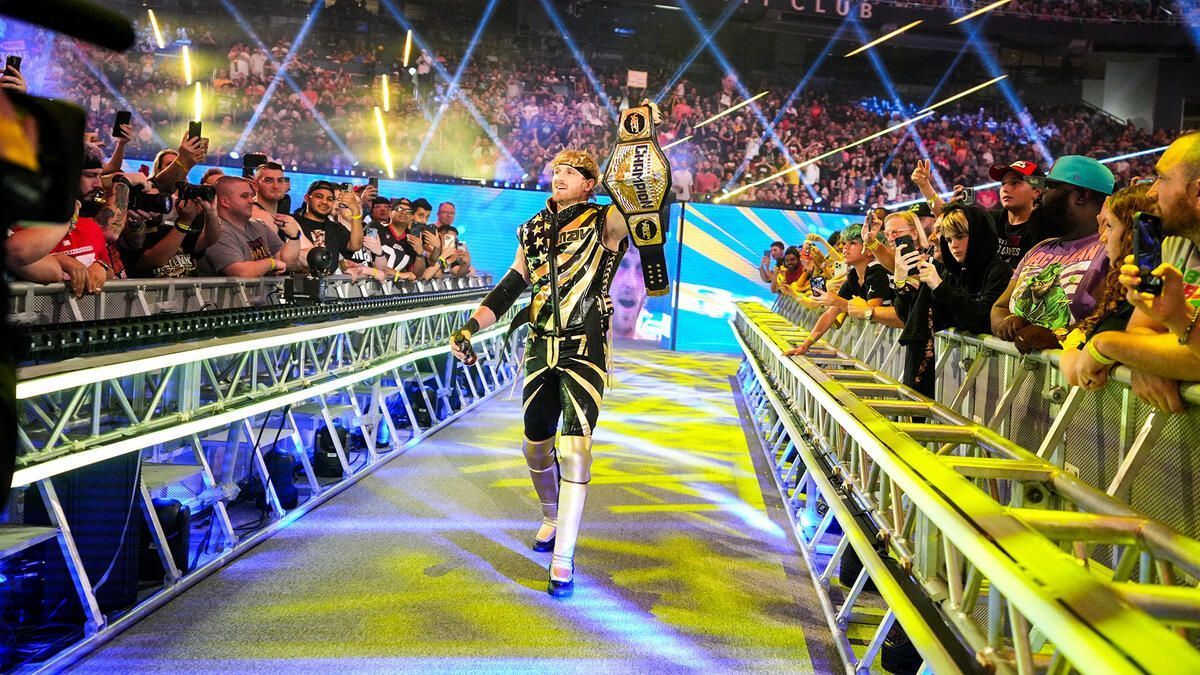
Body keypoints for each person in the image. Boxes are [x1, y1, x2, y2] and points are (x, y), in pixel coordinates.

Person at [448, 136, 658, 598]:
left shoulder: (606, 219)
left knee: (576, 447)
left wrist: (638, 146)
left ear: (589, 184)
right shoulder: (531, 228)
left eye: (572, 171)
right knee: (534, 445)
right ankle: (549, 513)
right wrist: (469, 327)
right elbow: (511, 285)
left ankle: (563, 557)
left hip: (587, 347)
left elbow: (640, 199)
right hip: (540, 345)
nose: (559, 174)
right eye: (556, 168)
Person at [991, 156, 1112, 354]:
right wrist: (1006, 324)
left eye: (1052, 186)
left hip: (1073, 380)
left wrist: (1058, 337)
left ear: (1081, 196)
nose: (1042, 195)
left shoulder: (1109, 250)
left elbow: (1111, 321)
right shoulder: (1039, 249)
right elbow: (999, 306)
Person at [1060, 184, 1155, 388]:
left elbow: (1079, 374)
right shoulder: (1127, 290)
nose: (1102, 237)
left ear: (1132, 234)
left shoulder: (1139, 295)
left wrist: (1069, 348)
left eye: (1110, 226)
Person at [786, 224, 892, 356]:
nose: (845, 248)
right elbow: (829, 313)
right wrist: (805, 345)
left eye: (852, 243)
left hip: (891, 343)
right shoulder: (853, 275)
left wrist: (836, 300)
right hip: (881, 342)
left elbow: (869, 312)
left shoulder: (877, 271)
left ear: (870, 250)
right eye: (844, 243)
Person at [201, 176, 301, 277]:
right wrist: (271, 263)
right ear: (225, 202)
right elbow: (241, 272)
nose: (251, 200)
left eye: (251, 195)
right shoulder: (217, 231)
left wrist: (294, 236)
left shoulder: (259, 225)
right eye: (244, 196)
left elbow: (286, 262)